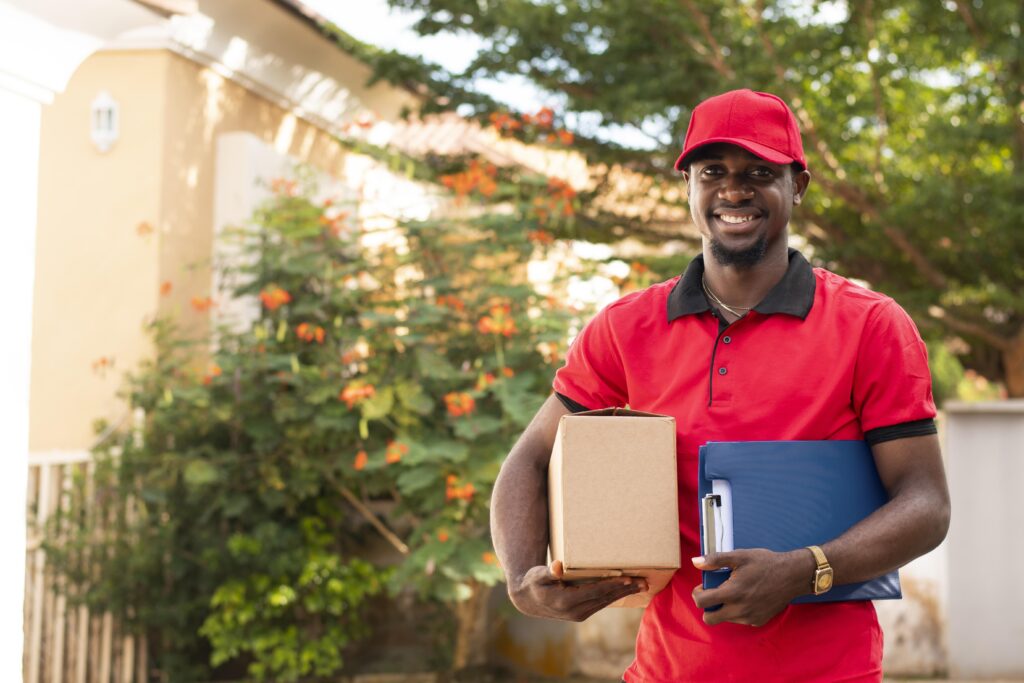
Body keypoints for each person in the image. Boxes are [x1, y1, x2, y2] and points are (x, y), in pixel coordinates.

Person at [489, 89, 951, 682]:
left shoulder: (872, 326)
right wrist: (524, 581)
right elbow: (530, 458)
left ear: (798, 186)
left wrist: (805, 570)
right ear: (689, 185)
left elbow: (926, 504)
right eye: (713, 172)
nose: (734, 190)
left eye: (761, 172)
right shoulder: (627, 328)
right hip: (665, 671)